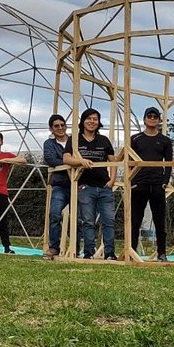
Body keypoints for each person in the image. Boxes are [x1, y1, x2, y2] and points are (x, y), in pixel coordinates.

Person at [65, 108, 118, 260]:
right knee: (87, 221)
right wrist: (80, 161)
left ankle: (109, 253)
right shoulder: (74, 140)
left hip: (104, 186)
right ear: (83, 121)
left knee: (109, 221)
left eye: (95, 119)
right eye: (89, 118)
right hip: (85, 186)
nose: (92, 122)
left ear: (98, 122)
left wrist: (112, 180)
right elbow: (66, 158)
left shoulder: (104, 140)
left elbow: (113, 161)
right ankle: (89, 252)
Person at [129, 107, 174, 262]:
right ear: (144, 119)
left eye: (155, 116)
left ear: (159, 120)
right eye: (150, 116)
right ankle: (132, 251)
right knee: (135, 220)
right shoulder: (135, 139)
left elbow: (169, 164)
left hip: (157, 184)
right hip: (139, 183)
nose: (152, 119)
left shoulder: (165, 141)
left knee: (160, 221)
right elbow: (129, 162)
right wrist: (132, 182)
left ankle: (162, 253)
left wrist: (164, 183)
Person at [42, 114, 71, 259]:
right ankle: (54, 247)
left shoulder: (74, 140)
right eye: (56, 126)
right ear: (51, 129)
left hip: (77, 183)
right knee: (54, 214)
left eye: (62, 125)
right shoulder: (49, 143)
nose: (60, 128)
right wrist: (70, 162)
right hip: (60, 184)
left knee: (79, 218)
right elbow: (50, 159)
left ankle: (76, 248)